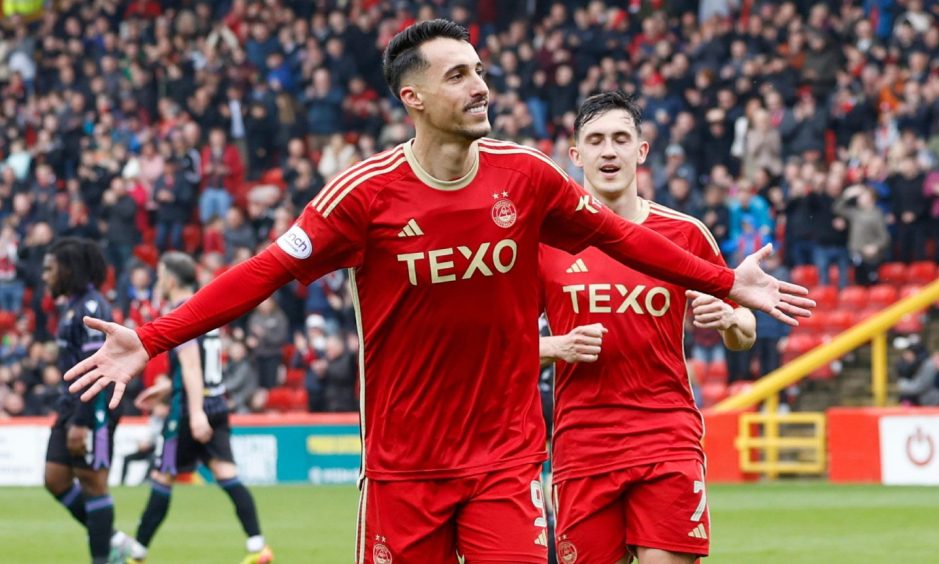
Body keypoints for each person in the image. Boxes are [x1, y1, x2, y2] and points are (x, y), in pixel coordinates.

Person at [66, 20, 812, 564]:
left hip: (506, 464)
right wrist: (156, 336)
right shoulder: (362, 197)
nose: (480, 84)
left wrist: (725, 281)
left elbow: (625, 238)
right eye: (458, 75)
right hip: (404, 470)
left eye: (479, 69)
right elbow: (265, 270)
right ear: (413, 97)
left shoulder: (528, 177)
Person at [538, 91, 756, 564]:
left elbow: (744, 326)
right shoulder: (545, 241)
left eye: (621, 138)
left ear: (642, 150)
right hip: (582, 442)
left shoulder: (686, 234)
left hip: (665, 433)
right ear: (575, 155)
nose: (609, 151)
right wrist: (555, 345)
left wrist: (731, 321)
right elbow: (497, 340)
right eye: (595, 141)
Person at [124, 252, 273, 564]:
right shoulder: (207, 306)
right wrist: (166, 388)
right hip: (215, 404)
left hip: (189, 411)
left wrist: (193, 412)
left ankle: (136, 555)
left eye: (161, 274)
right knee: (227, 475)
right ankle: (258, 546)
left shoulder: (181, 312)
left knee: (162, 477)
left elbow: (192, 367)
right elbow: (200, 366)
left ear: (172, 279)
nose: (158, 280)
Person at [41, 237, 129, 564]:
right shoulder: (72, 306)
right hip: (71, 404)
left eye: (50, 268)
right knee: (55, 478)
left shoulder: (92, 308)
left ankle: (104, 558)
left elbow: (97, 371)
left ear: (68, 269)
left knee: (93, 483)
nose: (44, 275)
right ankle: (114, 538)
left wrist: (81, 421)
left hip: (93, 408)